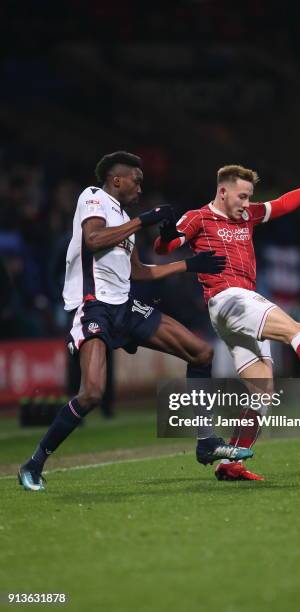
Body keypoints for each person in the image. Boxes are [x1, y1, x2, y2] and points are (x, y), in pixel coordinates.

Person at [18, 151, 252, 492]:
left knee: (200, 353)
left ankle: (206, 441)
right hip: (94, 306)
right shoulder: (93, 197)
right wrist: (143, 221)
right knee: (92, 393)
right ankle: (34, 463)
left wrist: (190, 264)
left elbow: (139, 271)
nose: (141, 188)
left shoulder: (124, 219)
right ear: (116, 179)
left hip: (126, 307)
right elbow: (94, 240)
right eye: (136, 180)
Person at [154, 156, 300, 481]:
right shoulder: (198, 217)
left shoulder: (247, 216)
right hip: (228, 298)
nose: (247, 203)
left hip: (235, 309)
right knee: (298, 329)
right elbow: (167, 246)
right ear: (223, 192)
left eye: (250, 197)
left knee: (262, 390)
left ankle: (230, 464)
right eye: (242, 196)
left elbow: (285, 204)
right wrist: (165, 236)